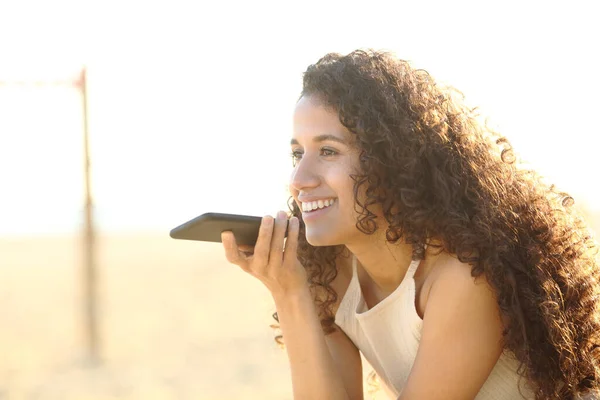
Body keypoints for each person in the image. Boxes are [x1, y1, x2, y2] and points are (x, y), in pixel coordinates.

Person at [220, 49, 600, 400]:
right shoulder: (329, 272)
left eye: (328, 151)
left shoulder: (463, 276)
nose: (299, 178)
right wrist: (290, 295)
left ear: (390, 161)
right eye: (298, 153)